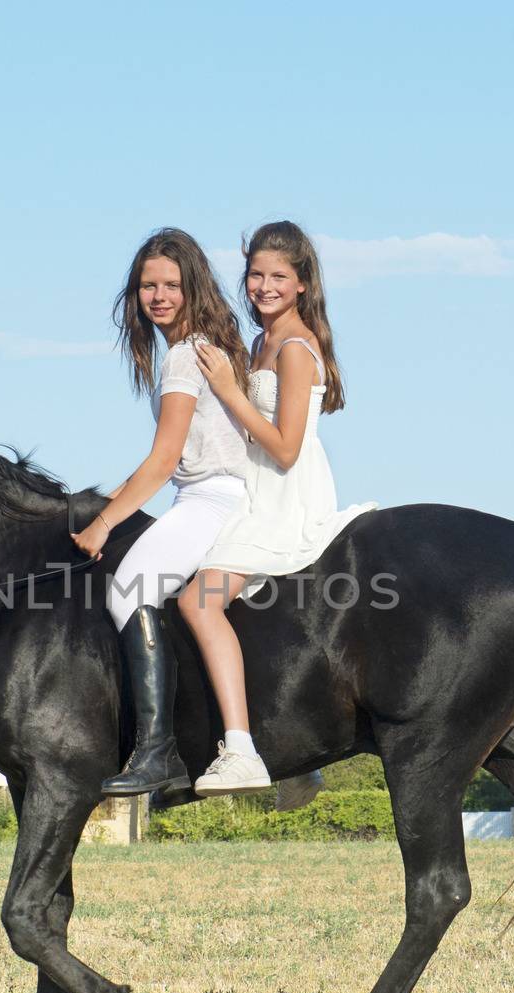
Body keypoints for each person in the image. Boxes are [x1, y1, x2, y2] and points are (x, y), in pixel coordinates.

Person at [179, 220, 377, 795]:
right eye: (256, 275)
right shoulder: (263, 340)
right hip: (253, 484)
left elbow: (287, 448)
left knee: (199, 602)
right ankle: (297, 750)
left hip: (283, 494)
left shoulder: (293, 348)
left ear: (302, 285)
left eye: (278, 277)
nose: (264, 286)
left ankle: (241, 751)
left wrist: (229, 392)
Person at [70, 228, 252, 797]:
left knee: (127, 589)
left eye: (171, 284)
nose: (159, 295)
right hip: (207, 494)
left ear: (192, 286)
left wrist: (104, 523)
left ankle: (157, 753)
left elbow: (165, 458)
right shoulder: (204, 346)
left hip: (212, 497)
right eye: (149, 285)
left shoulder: (182, 356)